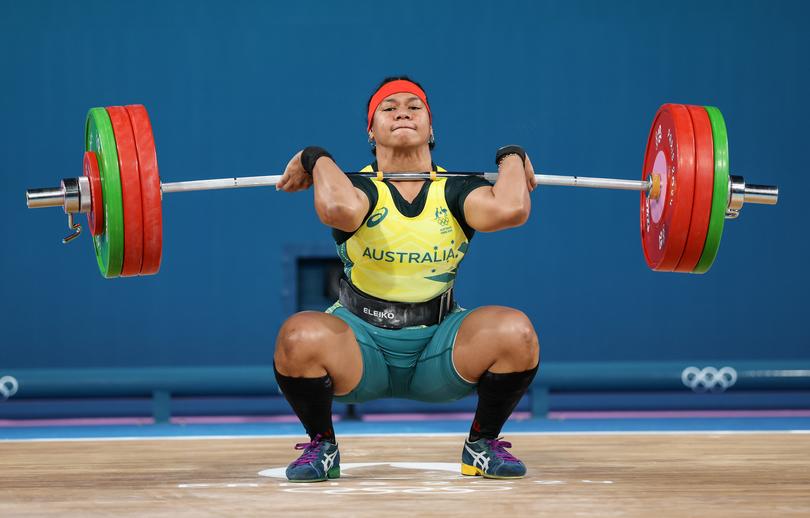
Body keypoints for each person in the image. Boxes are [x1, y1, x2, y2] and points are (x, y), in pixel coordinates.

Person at [273, 76, 540, 482]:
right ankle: (322, 446)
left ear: (431, 129)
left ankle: (480, 445)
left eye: (414, 107)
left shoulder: (456, 190)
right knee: (297, 337)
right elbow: (334, 208)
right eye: (389, 107)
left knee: (516, 332)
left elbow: (512, 209)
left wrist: (512, 157)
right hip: (360, 349)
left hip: (439, 347)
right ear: (371, 130)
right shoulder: (359, 187)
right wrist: (316, 157)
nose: (402, 111)